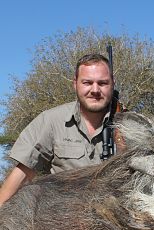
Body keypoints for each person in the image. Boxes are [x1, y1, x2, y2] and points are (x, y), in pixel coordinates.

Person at [0, 53, 115, 206]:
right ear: (75, 84)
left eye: (102, 83)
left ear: (112, 84)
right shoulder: (51, 120)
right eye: (87, 82)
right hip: (63, 220)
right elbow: (23, 173)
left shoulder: (131, 125)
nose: (95, 90)